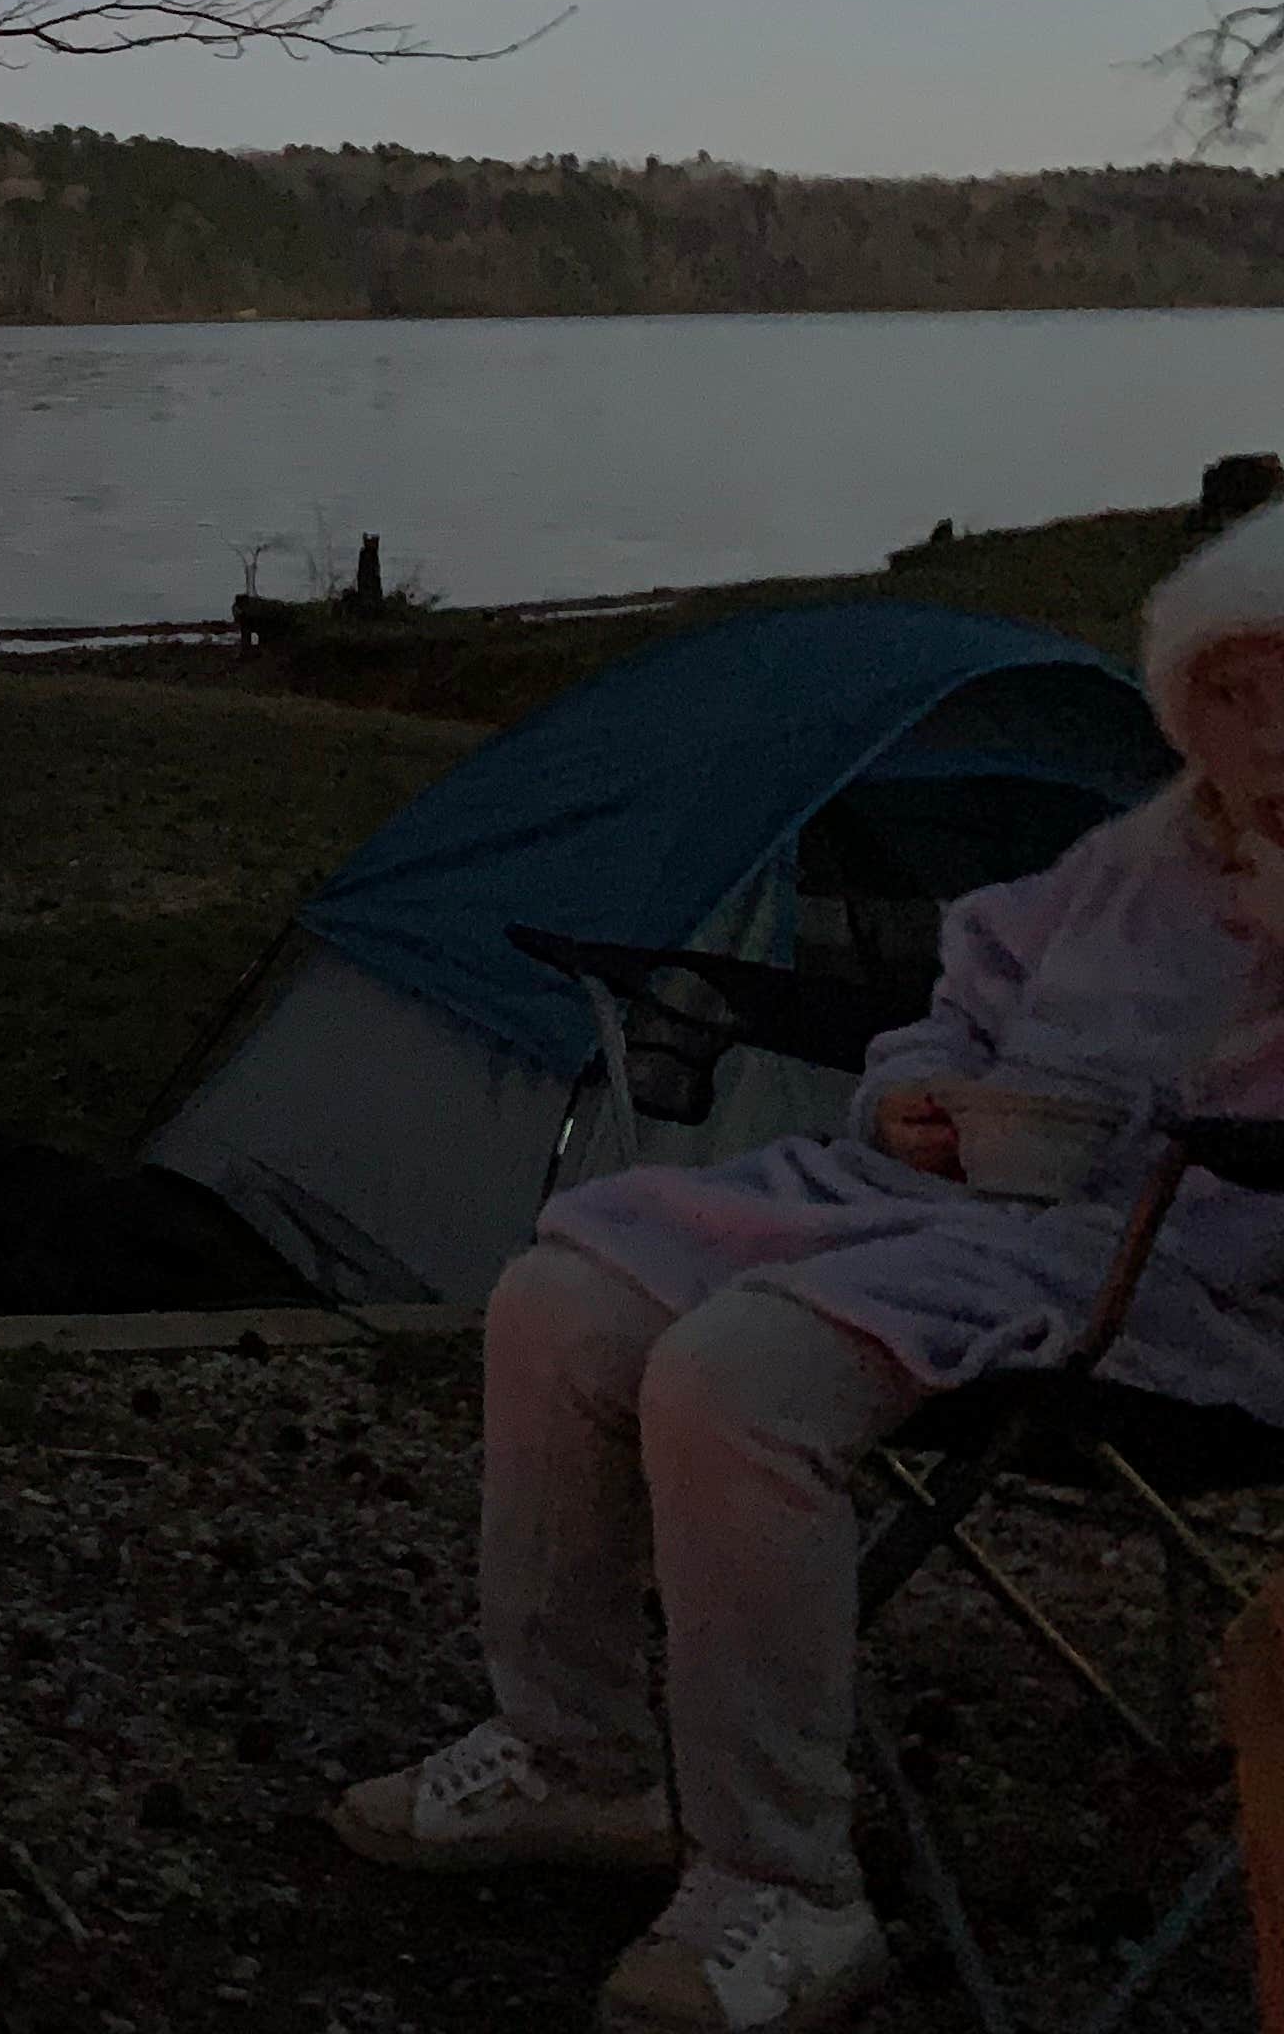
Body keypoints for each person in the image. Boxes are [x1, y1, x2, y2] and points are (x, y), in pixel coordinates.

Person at [335, 502, 1284, 2034]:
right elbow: (958, 1010)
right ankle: (579, 1760)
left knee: (734, 1375)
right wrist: (907, 1101)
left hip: (1189, 1282)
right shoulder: (1132, 865)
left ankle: (785, 1882)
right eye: (1235, 689)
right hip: (949, 1216)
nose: (1267, 725)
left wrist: (1155, 1157)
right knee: (555, 1303)